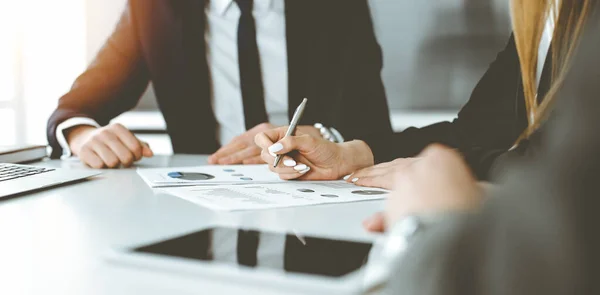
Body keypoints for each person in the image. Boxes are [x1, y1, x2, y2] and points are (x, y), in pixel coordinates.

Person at [255, 0, 593, 231]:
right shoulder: (543, 12)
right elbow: (476, 131)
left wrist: (457, 169)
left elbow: (570, 170)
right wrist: (352, 154)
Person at [383, 1, 600, 293]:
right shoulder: (541, 15)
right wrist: (365, 151)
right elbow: (472, 131)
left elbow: (547, 167)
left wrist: (424, 226)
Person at [46, 0, 391, 168]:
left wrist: (324, 136)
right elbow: (75, 108)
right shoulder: (153, 9)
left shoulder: (338, 8)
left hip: (314, 195)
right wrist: (84, 135)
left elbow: (375, 130)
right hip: (201, 202)